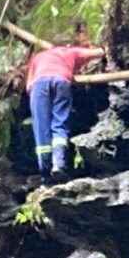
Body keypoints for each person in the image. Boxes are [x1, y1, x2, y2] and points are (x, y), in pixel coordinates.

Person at [25, 35, 104, 182]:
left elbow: (29, 86)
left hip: (39, 84)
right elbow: (99, 52)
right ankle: (59, 164)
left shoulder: (38, 56)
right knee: (60, 122)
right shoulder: (70, 52)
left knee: (41, 126)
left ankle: (45, 171)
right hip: (62, 81)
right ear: (66, 45)